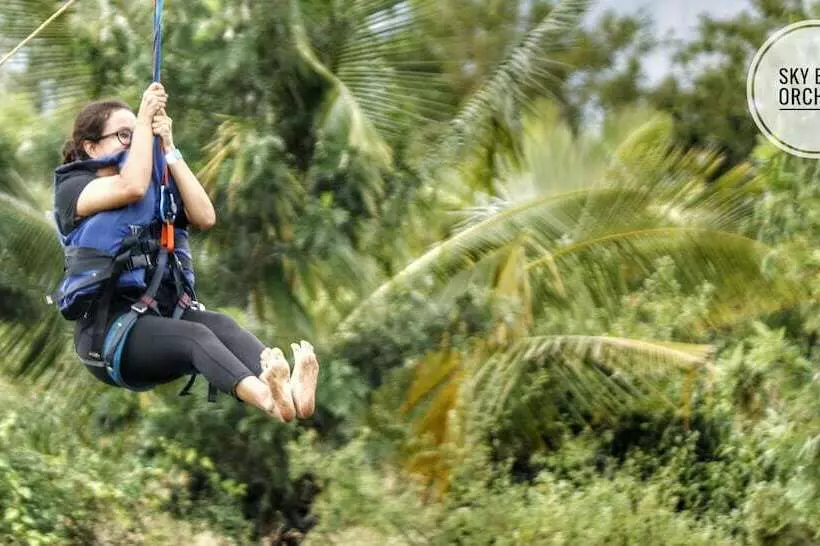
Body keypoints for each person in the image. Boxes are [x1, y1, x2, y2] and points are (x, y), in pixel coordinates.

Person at [54, 82, 318, 422]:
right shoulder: (74, 189)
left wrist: (168, 147)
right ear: (91, 147)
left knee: (222, 325)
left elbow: (205, 216)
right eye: (124, 135)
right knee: (196, 337)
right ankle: (268, 399)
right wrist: (145, 117)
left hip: (161, 317)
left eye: (137, 132)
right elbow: (130, 187)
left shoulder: (154, 188)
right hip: (109, 334)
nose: (135, 141)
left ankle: (291, 393)